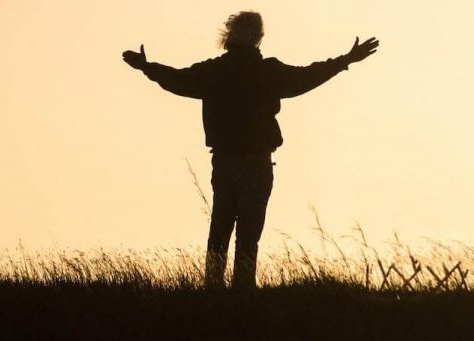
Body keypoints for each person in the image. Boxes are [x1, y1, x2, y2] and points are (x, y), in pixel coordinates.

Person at [122, 11, 378, 289]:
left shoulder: (216, 71)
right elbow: (308, 76)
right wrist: (344, 61)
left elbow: (178, 79)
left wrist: (147, 68)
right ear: (258, 38)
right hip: (256, 163)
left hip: (226, 163)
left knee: (220, 230)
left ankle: (213, 290)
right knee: (248, 233)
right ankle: (242, 292)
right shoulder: (267, 72)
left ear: (229, 37)